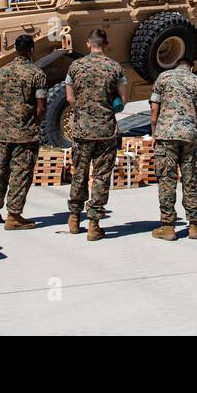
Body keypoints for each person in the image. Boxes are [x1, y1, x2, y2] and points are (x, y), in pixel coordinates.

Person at [65, 28, 126, 241]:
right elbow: (122, 99)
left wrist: (83, 110)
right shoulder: (115, 67)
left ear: (88, 43)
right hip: (105, 131)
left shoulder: (75, 66)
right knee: (101, 176)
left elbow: (69, 97)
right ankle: (94, 225)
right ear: (106, 43)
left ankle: (74, 218)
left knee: (79, 174)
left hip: (82, 130)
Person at [0, 34, 48, 229]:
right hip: (25, 133)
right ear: (31, 49)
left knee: (1, 171)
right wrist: (34, 121)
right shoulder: (36, 74)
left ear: (15, 49)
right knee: (21, 173)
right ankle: (13, 215)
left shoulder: (2, 72)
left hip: (4, 131)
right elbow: (41, 107)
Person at [148, 56, 197, 240]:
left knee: (166, 180)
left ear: (177, 65)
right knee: (190, 180)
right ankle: (194, 226)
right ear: (191, 67)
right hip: (190, 136)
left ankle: (168, 227)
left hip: (166, 135)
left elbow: (154, 110)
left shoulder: (163, 78)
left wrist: (154, 133)